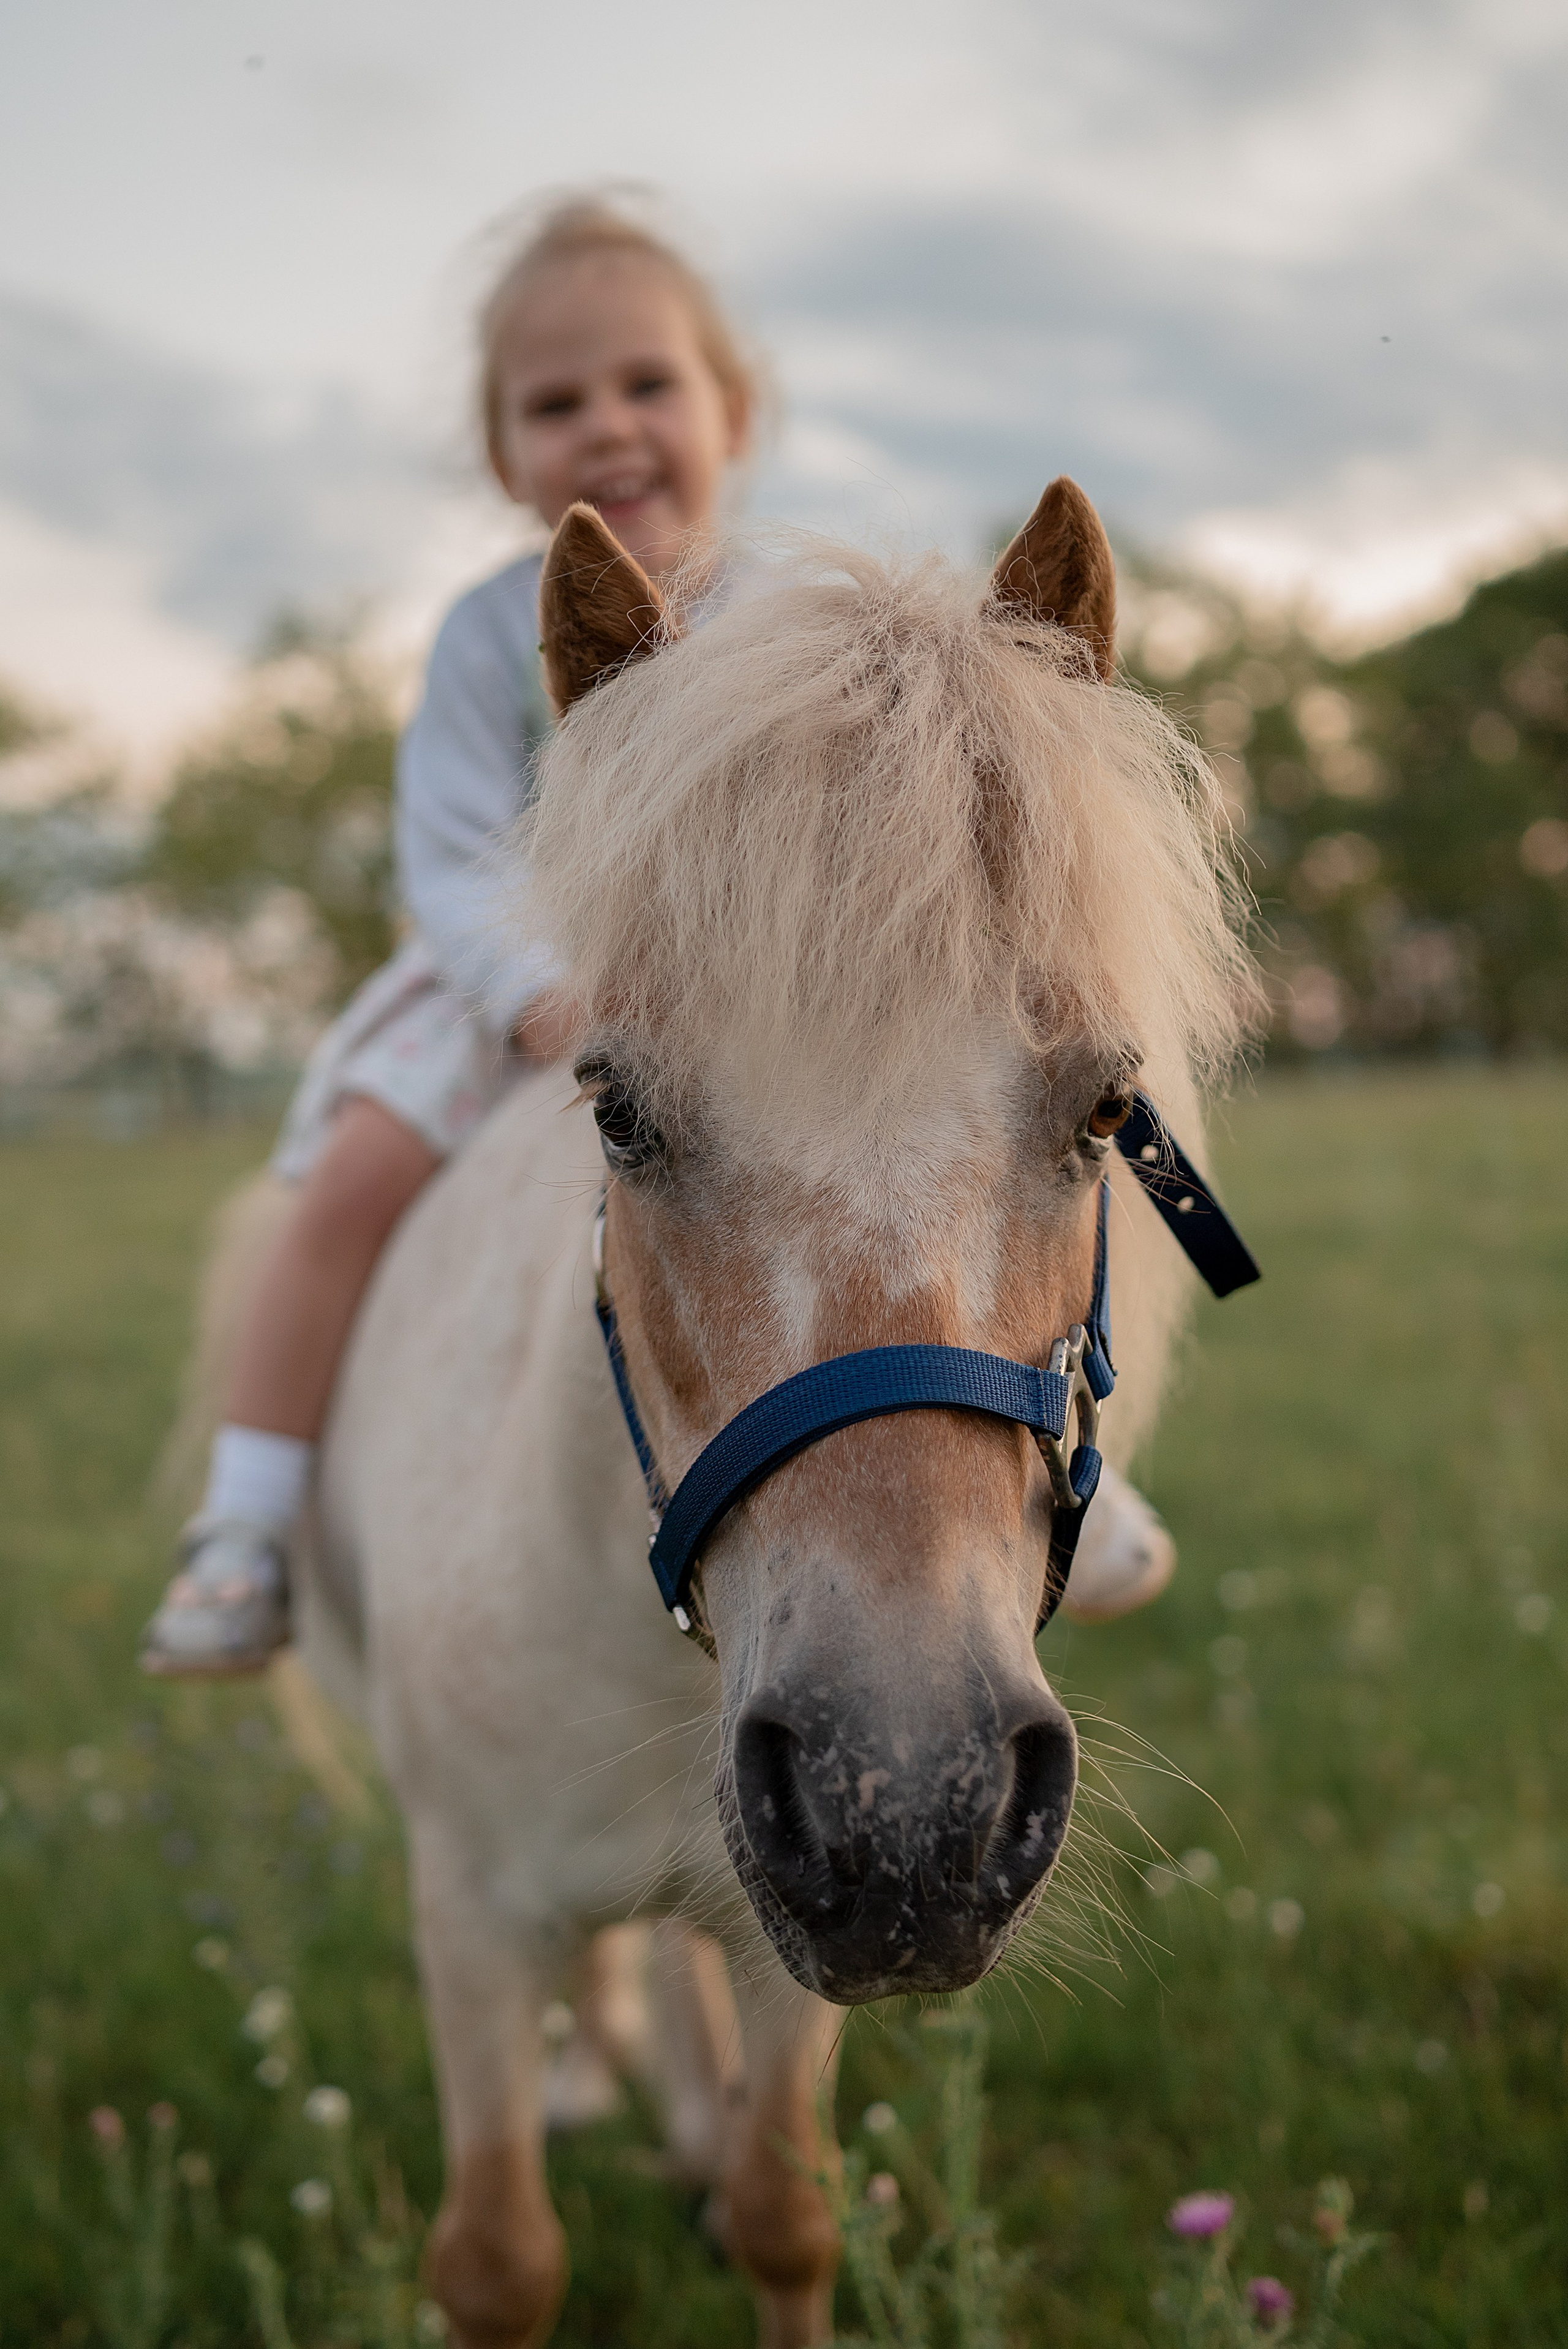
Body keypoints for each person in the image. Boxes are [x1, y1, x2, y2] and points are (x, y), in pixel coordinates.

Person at [140, 196, 1173, 1676]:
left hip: (760, 989)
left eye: (646, 386)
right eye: (555, 404)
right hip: (505, 978)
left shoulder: (782, 619)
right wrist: (542, 992)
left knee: (977, 1123)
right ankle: (248, 1516)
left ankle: (1058, 1441)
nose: (607, 428)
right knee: (344, 1183)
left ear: (731, 412)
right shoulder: (485, 637)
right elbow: (446, 862)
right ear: (506, 457)